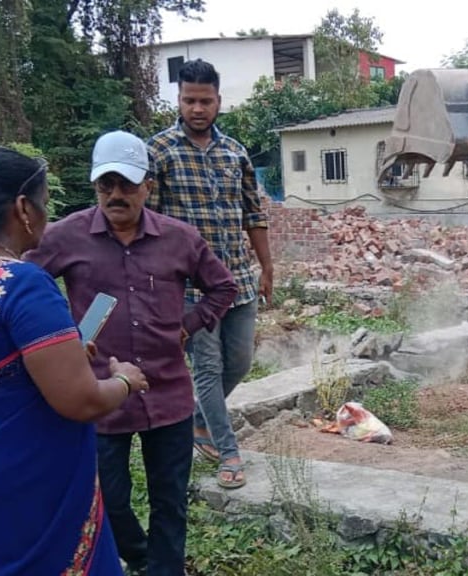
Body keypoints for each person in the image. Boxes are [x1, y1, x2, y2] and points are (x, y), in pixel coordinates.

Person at [25, 131, 239, 576]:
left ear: (147, 186)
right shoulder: (67, 237)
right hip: (101, 394)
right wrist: (58, 336)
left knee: (170, 499)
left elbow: (223, 287)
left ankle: (165, 569)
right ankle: (142, 559)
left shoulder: (180, 239)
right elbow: (20, 288)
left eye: (126, 185)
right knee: (110, 499)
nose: (116, 195)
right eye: (107, 185)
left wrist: (188, 325)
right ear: (95, 186)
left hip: (168, 393)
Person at [0, 147, 149, 575]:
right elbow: (81, 401)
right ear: (23, 208)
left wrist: (62, 355)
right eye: (45, 202)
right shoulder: (22, 283)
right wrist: (125, 381)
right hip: (22, 484)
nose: (47, 214)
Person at [147, 58, 274, 490]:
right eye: (189, 100)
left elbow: (254, 214)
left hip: (237, 278)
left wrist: (267, 266)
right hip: (189, 287)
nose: (197, 108)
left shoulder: (235, 152)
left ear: (219, 101)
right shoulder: (158, 152)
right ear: (179, 101)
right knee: (207, 366)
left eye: (205, 100)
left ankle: (199, 419)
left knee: (240, 361)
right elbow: (151, 223)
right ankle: (229, 452)